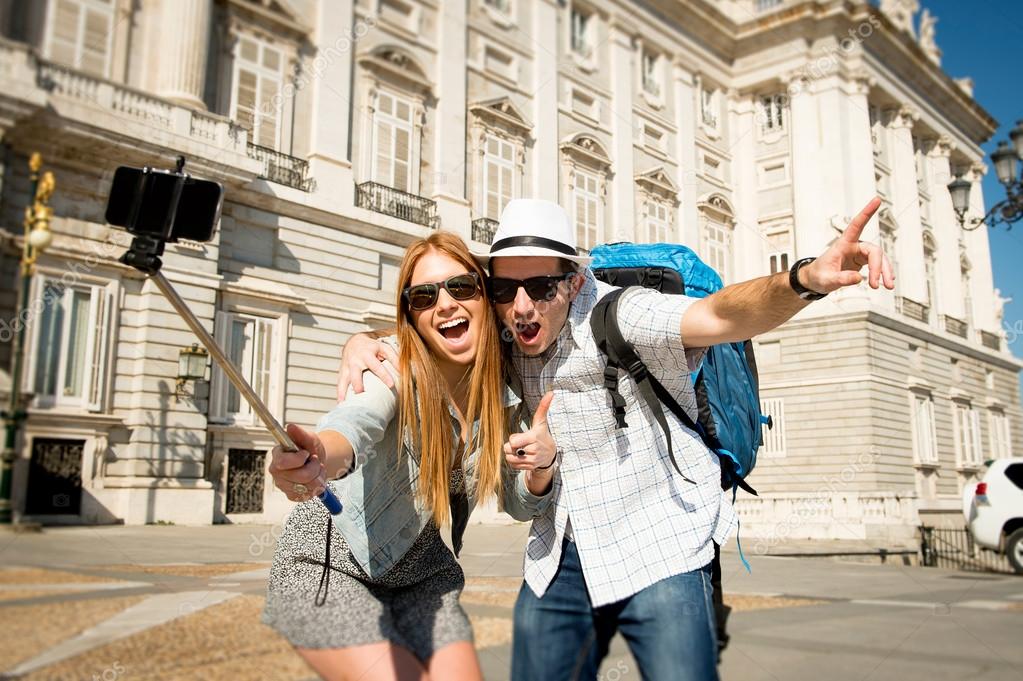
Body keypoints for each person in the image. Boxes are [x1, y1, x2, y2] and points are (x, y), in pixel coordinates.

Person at [338, 198, 894, 681]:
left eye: (541, 286)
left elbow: (719, 314)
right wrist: (361, 342)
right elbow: (435, 335)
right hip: (562, 553)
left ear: (574, 281)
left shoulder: (624, 315)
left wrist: (803, 280)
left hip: (661, 542)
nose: (523, 306)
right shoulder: (508, 332)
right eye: (506, 289)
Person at [262, 231, 557, 681]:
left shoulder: (506, 394)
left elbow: (518, 504)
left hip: (423, 574)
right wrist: (319, 455)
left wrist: (539, 470)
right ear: (413, 318)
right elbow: (354, 423)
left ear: (484, 296)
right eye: (423, 296)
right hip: (329, 563)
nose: (444, 304)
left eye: (461, 287)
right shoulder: (392, 368)